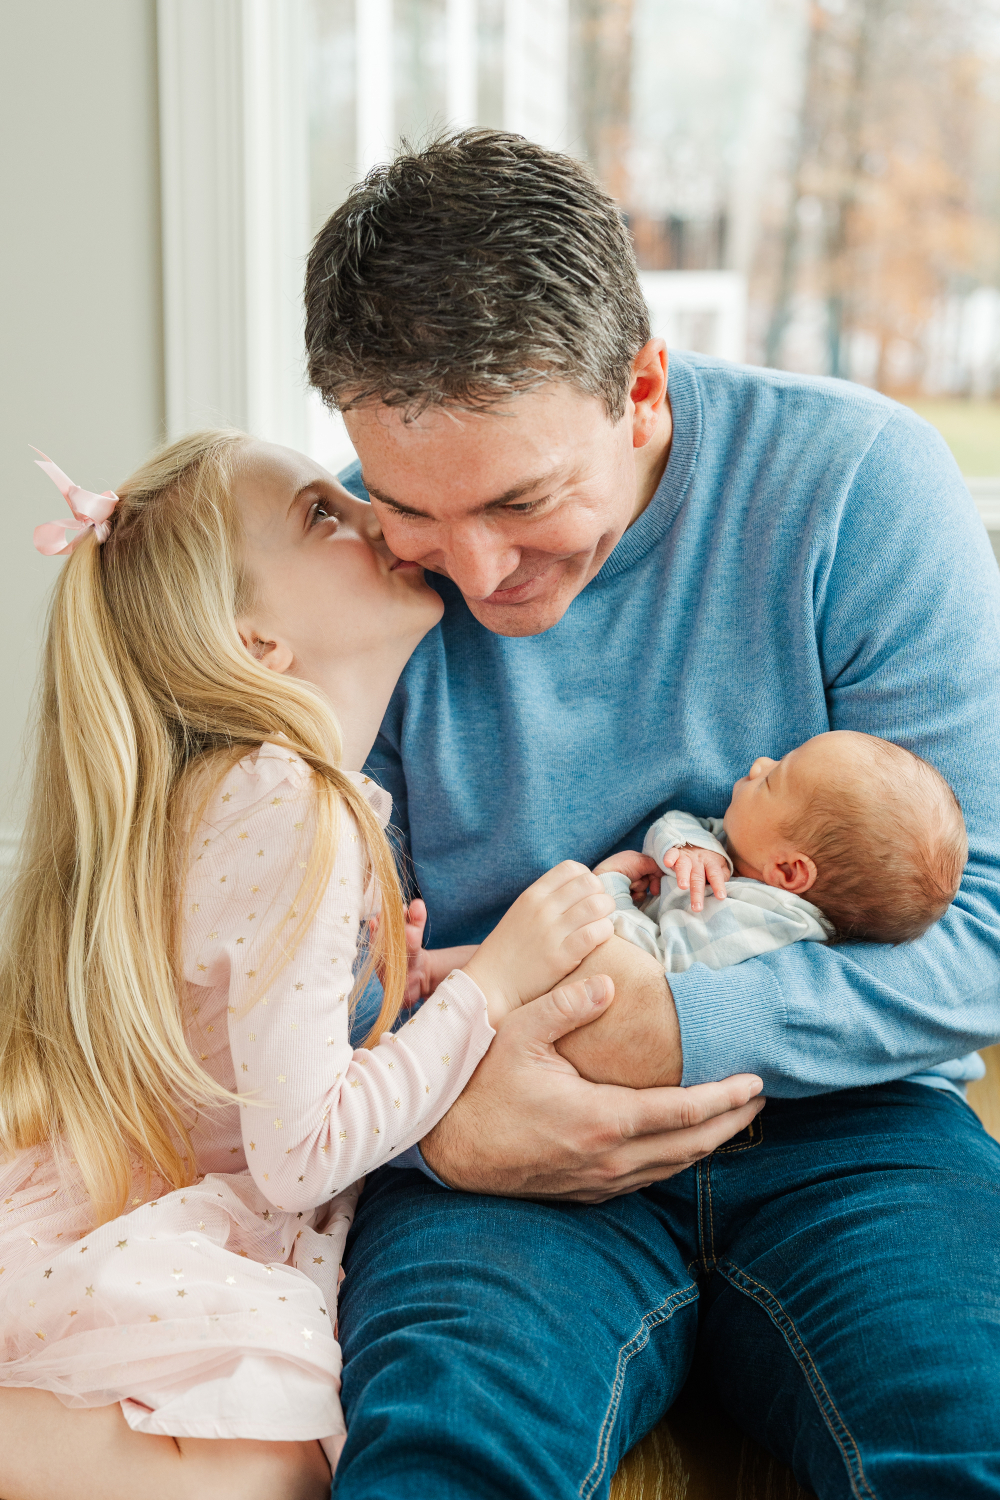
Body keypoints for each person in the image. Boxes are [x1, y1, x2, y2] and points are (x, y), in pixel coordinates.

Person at [304, 130, 1000, 1497]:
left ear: (641, 389)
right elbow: (285, 964)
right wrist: (441, 1114)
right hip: (487, 1131)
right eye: (413, 509)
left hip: (848, 1125)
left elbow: (981, 922)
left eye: (523, 500)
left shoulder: (860, 489)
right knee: (439, 1456)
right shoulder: (324, 570)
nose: (477, 574)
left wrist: (675, 1028)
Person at [1, 436, 762, 1500]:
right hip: (182, 1201)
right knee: (270, 1459)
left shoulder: (261, 792)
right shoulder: (290, 806)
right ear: (256, 640)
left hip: (159, 1180)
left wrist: (434, 976)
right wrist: (491, 986)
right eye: (321, 514)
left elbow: (267, 1025)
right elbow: (303, 1152)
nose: (370, 513)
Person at [592, 730, 967, 982]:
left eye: (772, 779)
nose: (760, 763)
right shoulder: (749, 850)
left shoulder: (761, 920)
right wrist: (691, 847)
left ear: (789, 871)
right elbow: (680, 822)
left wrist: (609, 889)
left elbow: (652, 965)